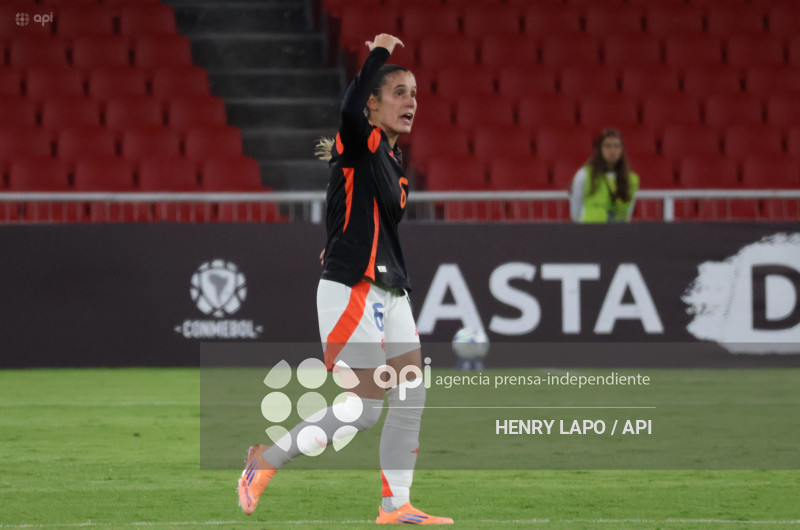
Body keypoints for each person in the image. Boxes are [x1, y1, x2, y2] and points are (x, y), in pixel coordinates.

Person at [237, 34, 453, 525]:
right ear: (372, 105)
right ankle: (265, 461)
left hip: (390, 287)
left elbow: (357, 213)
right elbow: (348, 108)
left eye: (414, 94)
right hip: (354, 286)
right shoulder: (360, 140)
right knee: (367, 407)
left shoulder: (392, 161)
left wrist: (337, 237)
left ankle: (395, 505)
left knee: (411, 393)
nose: (410, 102)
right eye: (398, 92)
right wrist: (378, 52)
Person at [569, 128, 639, 223]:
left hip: (619, 229)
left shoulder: (632, 179)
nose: (612, 150)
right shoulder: (584, 175)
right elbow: (575, 211)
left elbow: (629, 210)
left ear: (622, 150)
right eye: (607, 146)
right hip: (591, 228)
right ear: (600, 149)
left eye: (617, 146)